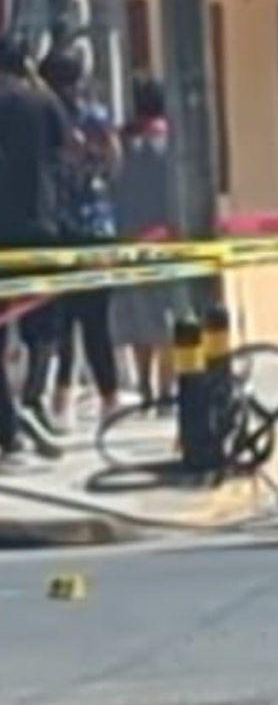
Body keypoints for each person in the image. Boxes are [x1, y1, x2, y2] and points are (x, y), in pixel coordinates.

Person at [25, 47, 120, 428]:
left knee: (62, 319)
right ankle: (108, 398)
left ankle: (63, 397)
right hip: (97, 227)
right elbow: (115, 160)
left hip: (61, 228)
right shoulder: (93, 115)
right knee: (96, 321)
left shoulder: (50, 115)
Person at [0, 36, 68, 460]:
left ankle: (9, 424)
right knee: (44, 325)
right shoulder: (41, 102)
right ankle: (34, 400)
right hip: (40, 223)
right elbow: (68, 147)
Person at [111, 79, 180, 404]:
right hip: (168, 239)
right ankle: (167, 387)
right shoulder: (174, 144)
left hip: (130, 239)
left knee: (138, 315)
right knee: (168, 314)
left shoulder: (122, 144)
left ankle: (144, 385)